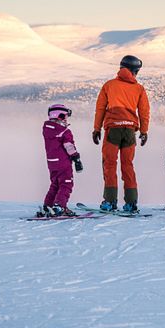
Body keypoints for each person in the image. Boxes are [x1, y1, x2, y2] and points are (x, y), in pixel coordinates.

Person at [92, 55, 150, 213]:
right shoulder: (139, 89)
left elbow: (100, 109)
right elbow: (144, 112)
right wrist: (144, 131)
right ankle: (131, 203)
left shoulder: (109, 85)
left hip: (113, 130)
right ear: (134, 71)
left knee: (110, 165)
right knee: (128, 165)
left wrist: (96, 129)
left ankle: (110, 201)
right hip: (130, 131)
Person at [39, 103, 83, 217]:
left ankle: (48, 206)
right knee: (66, 184)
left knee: (55, 184)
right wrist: (76, 158)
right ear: (61, 116)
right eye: (66, 116)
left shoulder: (47, 130)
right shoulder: (64, 131)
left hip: (51, 162)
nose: (66, 119)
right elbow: (69, 146)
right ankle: (59, 206)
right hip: (63, 162)